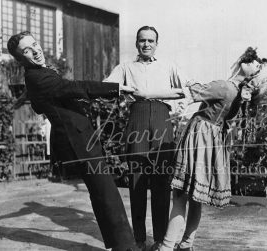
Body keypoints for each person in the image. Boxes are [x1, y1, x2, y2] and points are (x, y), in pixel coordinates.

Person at [7, 31, 138, 251]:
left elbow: (39, 105)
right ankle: (126, 248)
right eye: (27, 50)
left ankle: (118, 245)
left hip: (79, 136)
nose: (35, 51)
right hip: (77, 140)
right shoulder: (38, 77)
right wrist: (116, 89)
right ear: (20, 59)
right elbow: (73, 87)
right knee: (107, 192)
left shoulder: (38, 75)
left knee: (101, 192)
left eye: (35, 44)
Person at [158, 47, 267, 250]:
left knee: (180, 195)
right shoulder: (239, 95)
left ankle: (166, 247)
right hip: (213, 142)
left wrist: (186, 80)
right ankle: (186, 244)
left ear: (253, 76)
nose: (255, 61)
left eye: (258, 66)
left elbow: (195, 92)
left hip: (199, 138)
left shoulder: (225, 87)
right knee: (196, 197)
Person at [104, 26, 188, 250]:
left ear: (157, 44)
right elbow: (105, 86)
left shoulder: (168, 66)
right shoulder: (126, 67)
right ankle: (139, 239)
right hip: (137, 117)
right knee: (137, 180)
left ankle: (161, 240)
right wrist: (126, 89)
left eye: (151, 40)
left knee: (162, 180)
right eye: (142, 40)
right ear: (136, 44)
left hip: (162, 118)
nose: (147, 44)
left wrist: (152, 94)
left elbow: (185, 90)